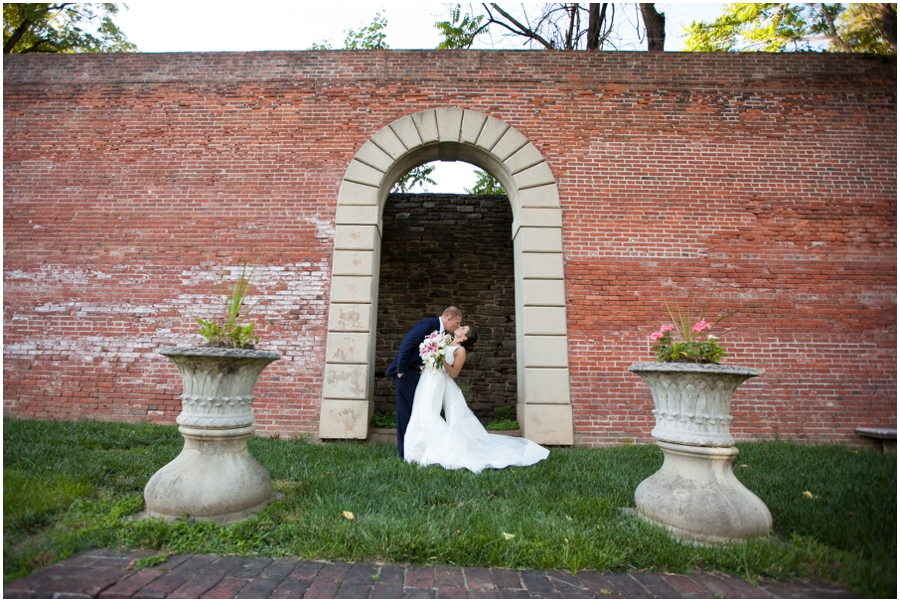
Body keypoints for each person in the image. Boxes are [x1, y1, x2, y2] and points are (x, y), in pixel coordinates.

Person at [404, 323, 550, 474]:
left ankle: (443, 447)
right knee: (419, 409)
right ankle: (418, 446)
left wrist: (441, 360)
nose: (459, 327)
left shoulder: (460, 351)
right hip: (428, 377)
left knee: (428, 411)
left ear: (465, 337)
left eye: (463, 329)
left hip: (438, 381)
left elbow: (454, 373)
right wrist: (431, 354)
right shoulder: (444, 342)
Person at [386, 306, 463, 459]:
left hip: (419, 374)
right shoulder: (427, 325)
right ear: (449, 319)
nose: (458, 326)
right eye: (457, 322)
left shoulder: (442, 333)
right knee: (405, 411)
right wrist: (401, 369)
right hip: (406, 372)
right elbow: (407, 343)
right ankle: (403, 452)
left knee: (416, 411)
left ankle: (415, 446)